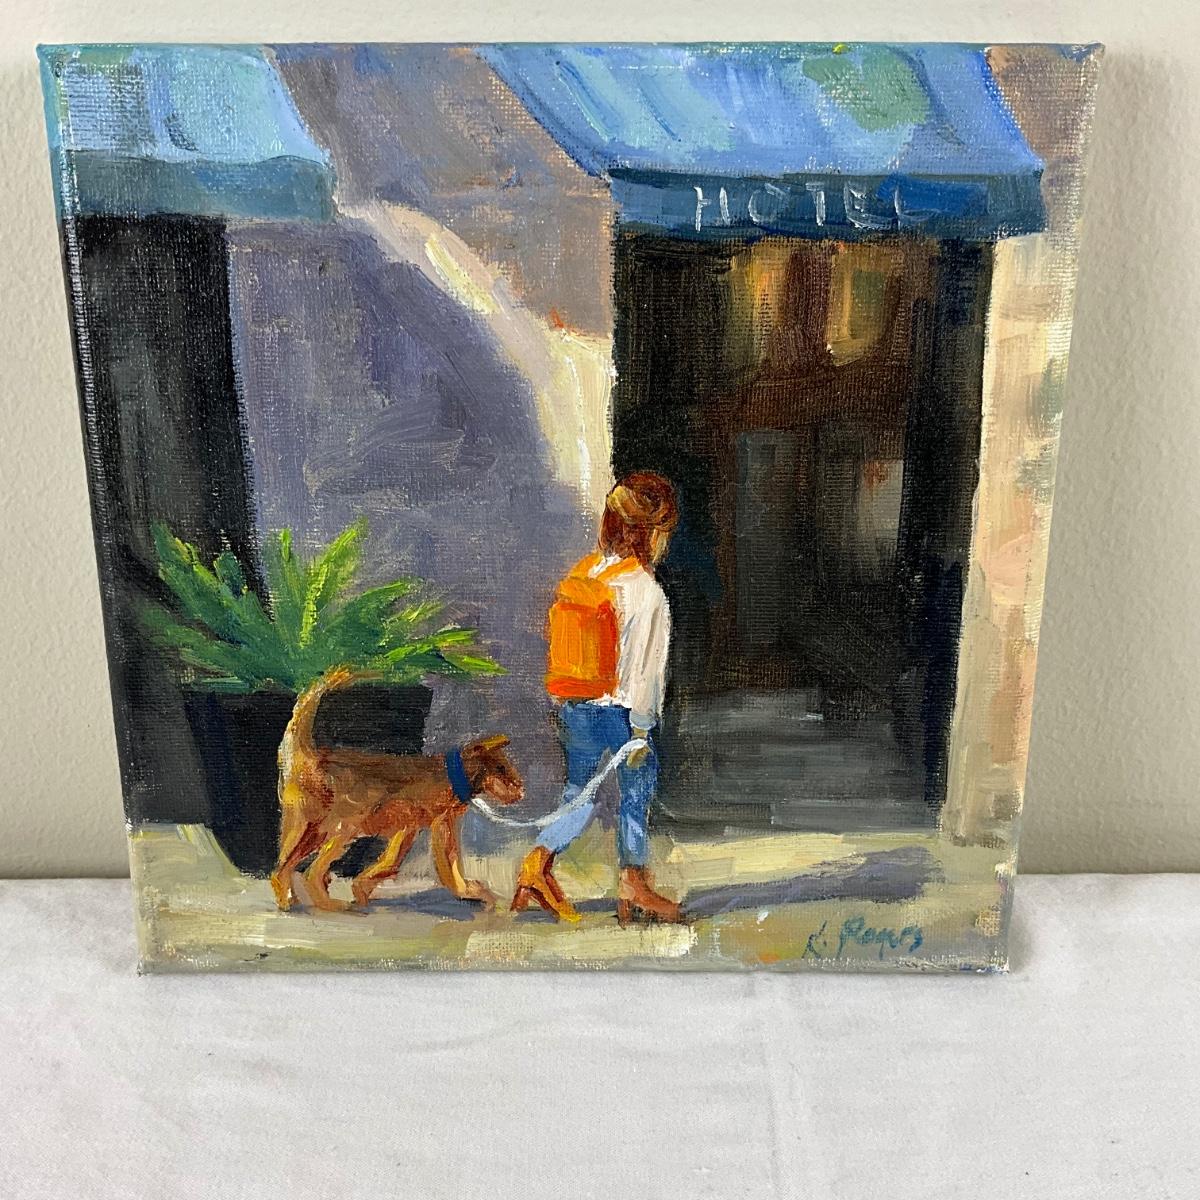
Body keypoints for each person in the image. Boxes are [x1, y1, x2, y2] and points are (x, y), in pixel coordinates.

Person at [512, 472, 683, 925]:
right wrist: (642, 729)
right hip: (622, 712)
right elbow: (645, 672)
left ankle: (535, 864)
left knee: (580, 794)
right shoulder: (646, 592)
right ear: (651, 534)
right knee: (635, 794)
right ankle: (634, 884)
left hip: (575, 705)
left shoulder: (586, 572)